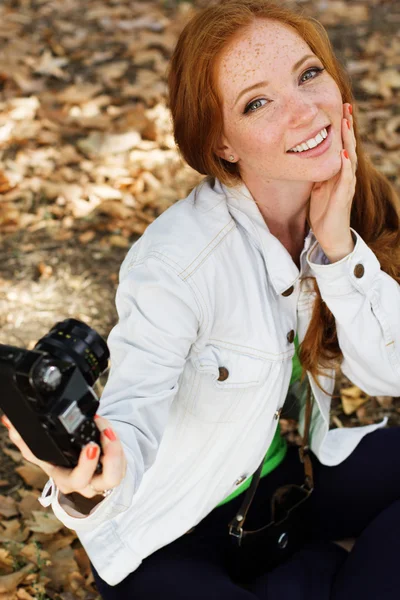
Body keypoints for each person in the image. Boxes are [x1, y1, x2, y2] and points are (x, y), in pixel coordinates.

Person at [2, 0, 400, 597]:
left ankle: (309, 571)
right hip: (175, 530)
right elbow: (134, 411)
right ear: (223, 145)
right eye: (257, 102)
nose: (303, 110)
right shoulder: (177, 262)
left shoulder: (346, 203)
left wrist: (339, 250)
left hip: (290, 487)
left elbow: (389, 371)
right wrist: (91, 480)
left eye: (308, 74)